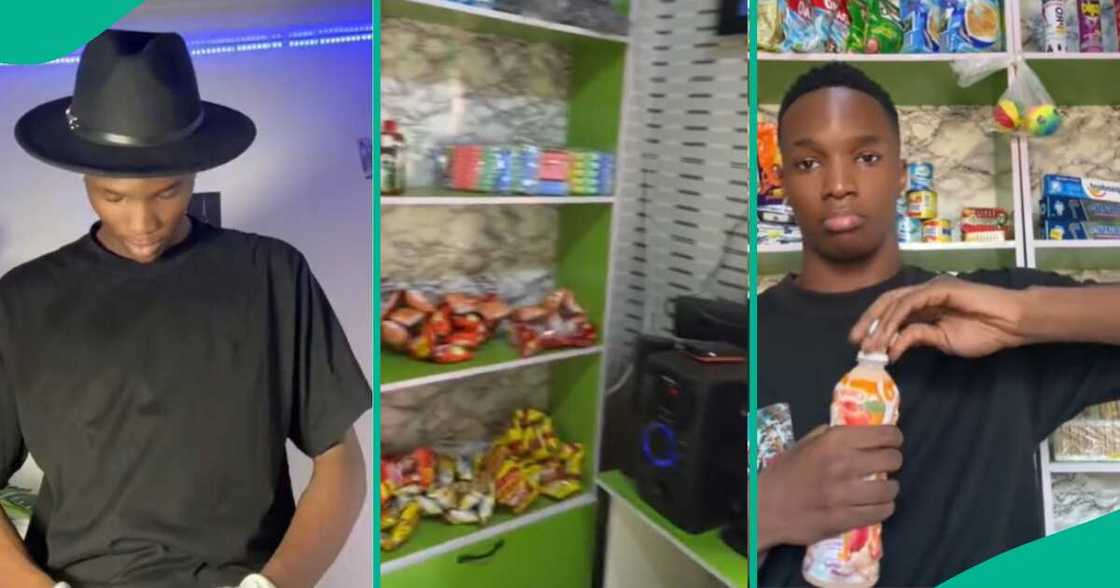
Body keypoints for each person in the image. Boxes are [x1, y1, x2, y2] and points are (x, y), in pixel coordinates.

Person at [0, 30, 371, 588]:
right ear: (84, 177)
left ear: (197, 169)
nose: (141, 224)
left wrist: (276, 584)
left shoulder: (271, 275)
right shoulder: (23, 300)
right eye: (113, 195)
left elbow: (341, 460)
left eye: (166, 193)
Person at [756, 62, 1120, 587]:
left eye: (867, 157)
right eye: (809, 162)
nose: (838, 184)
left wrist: (1024, 317)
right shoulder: (747, 338)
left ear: (902, 175)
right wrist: (764, 511)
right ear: (783, 181)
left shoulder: (1003, 307)